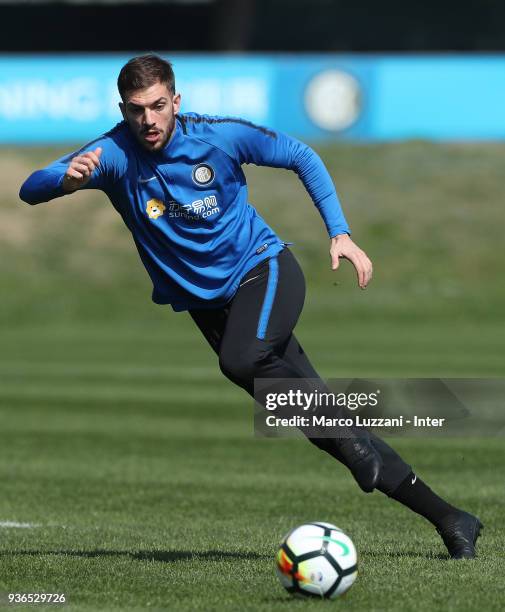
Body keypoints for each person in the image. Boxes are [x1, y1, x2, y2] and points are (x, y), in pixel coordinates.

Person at [20, 54, 481, 559]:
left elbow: (301, 154)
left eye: (157, 106)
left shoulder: (218, 137)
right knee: (324, 426)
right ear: (123, 110)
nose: (148, 120)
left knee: (243, 361)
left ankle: (350, 438)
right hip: (211, 307)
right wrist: (65, 181)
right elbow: (31, 187)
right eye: (136, 110)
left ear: (176, 101)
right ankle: (451, 520)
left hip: (265, 272)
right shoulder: (111, 154)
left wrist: (340, 233)